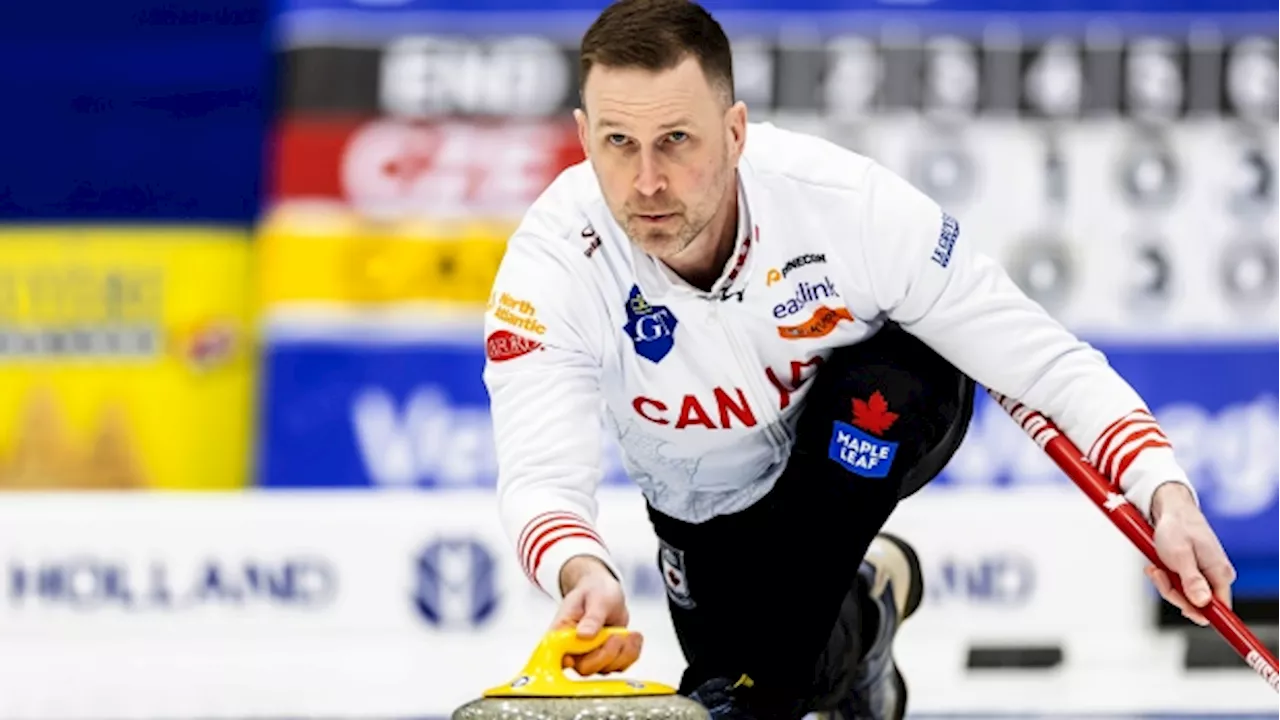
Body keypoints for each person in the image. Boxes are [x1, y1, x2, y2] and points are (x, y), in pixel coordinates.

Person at [481, 1, 1236, 717]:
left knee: (752, 695)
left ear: (736, 132)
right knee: (769, 668)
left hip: (876, 414)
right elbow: (542, 472)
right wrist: (581, 572)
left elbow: (1043, 366)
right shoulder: (552, 261)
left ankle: (771, 675)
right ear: (584, 139)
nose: (647, 182)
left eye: (677, 141)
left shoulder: (849, 206)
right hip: (705, 495)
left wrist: (1166, 495)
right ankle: (868, 611)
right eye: (619, 143)